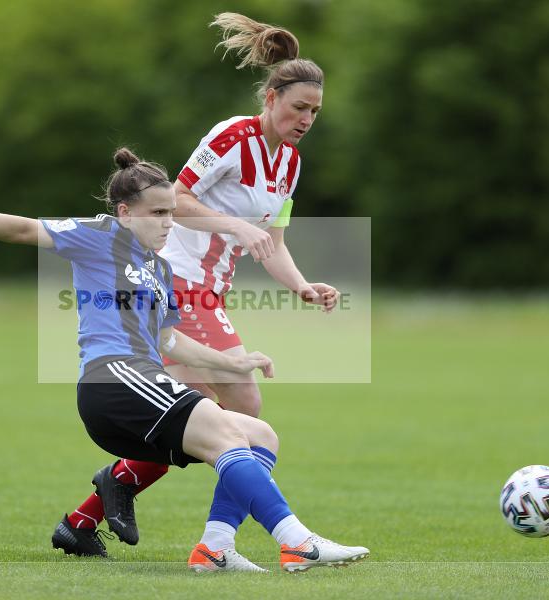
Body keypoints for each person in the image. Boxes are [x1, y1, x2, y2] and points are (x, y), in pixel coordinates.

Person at [0, 147, 369, 572]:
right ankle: (297, 541)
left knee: (260, 436)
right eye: (158, 213)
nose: (169, 223)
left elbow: (170, 342)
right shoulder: (97, 235)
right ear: (125, 212)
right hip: (112, 378)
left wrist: (234, 364)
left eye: (171, 211)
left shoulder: (161, 268)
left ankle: (216, 547)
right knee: (228, 434)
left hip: (140, 378)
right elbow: (21, 228)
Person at [62, 13, 343, 569]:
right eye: (298, 107)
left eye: (314, 111)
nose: (306, 118)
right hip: (178, 283)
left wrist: (302, 286)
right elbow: (177, 200)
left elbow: (275, 241)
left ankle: (90, 513)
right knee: (243, 407)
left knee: (189, 424)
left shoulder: (290, 162)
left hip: (210, 295)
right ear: (271, 97)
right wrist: (233, 225)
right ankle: (217, 545)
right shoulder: (231, 136)